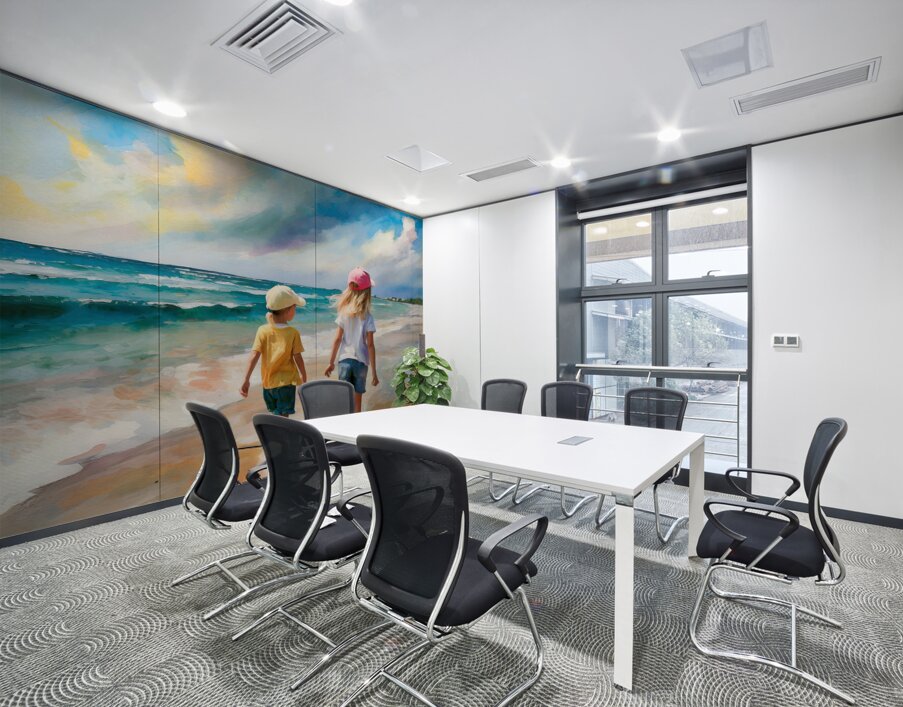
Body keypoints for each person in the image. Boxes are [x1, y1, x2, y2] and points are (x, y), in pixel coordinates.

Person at [240, 285, 308, 416]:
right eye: (294, 307)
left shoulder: (262, 330)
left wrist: (246, 379)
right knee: (284, 418)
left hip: (268, 385)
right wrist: (303, 374)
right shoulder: (293, 333)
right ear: (288, 310)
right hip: (286, 385)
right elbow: (297, 356)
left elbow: (254, 355)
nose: (295, 310)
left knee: (276, 417)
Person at [324, 267, 378, 412]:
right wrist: (374, 372)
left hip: (344, 361)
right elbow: (370, 345)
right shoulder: (368, 317)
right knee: (357, 403)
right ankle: (355, 425)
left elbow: (337, 339)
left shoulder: (344, 313)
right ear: (367, 292)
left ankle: (343, 423)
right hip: (361, 362)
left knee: (344, 400)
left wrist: (331, 362)